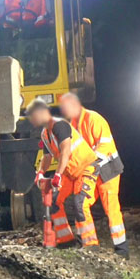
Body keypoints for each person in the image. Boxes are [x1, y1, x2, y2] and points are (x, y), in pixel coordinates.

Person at [60, 93, 129, 258]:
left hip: (107, 169)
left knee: (111, 208)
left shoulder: (94, 119)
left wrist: (90, 164)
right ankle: (89, 243)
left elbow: (104, 145)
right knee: (80, 202)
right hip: (92, 171)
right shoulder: (73, 124)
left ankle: (122, 249)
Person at [27, 98, 101, 249]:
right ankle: (66, 241)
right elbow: (47, 156)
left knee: (80, 203)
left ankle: (90, 245)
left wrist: (58, 175)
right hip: (70, 172)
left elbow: (65, 152)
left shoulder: (59, 126)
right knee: (54, 202)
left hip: (86, 167)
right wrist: (40, 172)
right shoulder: (45, 134)